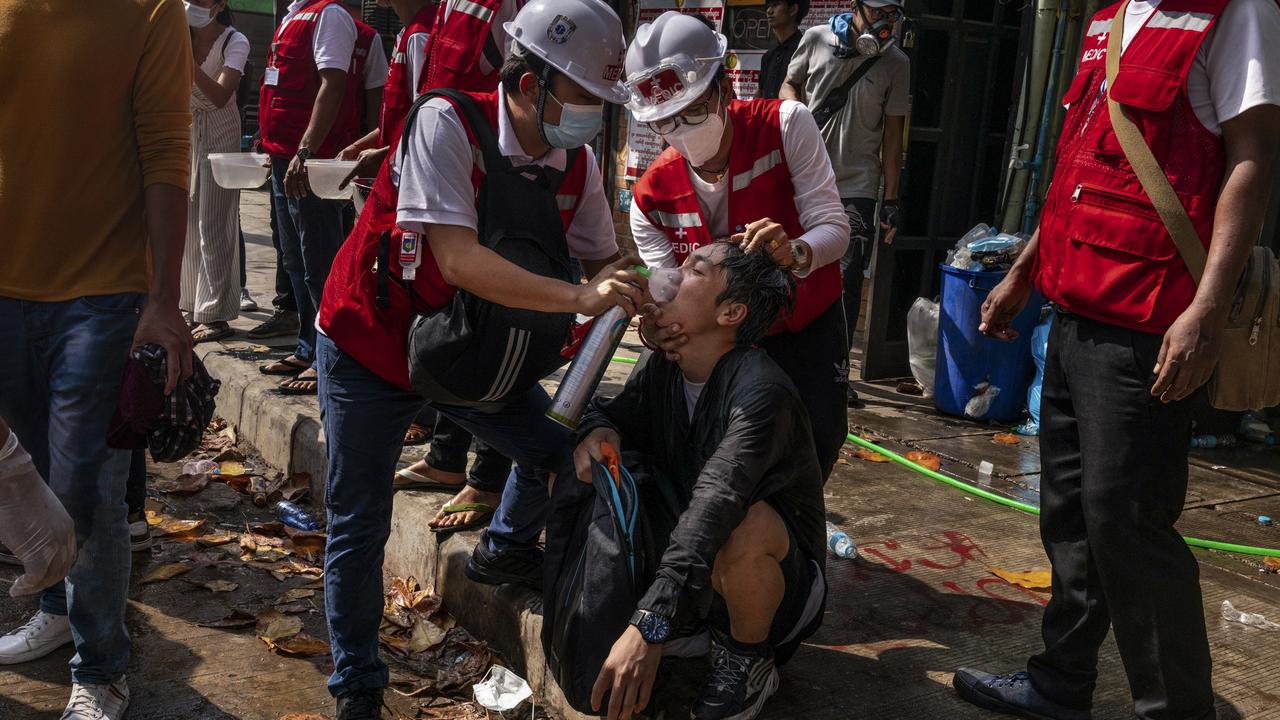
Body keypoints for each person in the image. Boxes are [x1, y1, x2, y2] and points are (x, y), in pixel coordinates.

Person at [313, 0, 641, 715]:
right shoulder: (445, 123)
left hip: (468, 365)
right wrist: (580, 298)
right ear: (533, 85)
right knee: (359, 524)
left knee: (575, 449)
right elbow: (457, 260)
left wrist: (647, 290)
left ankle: (516, 558)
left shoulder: (574, 162)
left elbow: (606, 257)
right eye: (588, 99)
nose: (595, 118)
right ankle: (358, 691)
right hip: (370, 349)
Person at [956, 2, 1280, 719]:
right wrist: (1024, 273)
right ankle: (1059, 686)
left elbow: (1252, 157)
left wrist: (1207, 310)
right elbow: (1081, 157)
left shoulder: (1233, 12)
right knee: (1070, 516)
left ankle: (1177, 710)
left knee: (1127, 523)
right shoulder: (1109, 15)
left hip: (1150, 321)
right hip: (1075, 312)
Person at [0, 1, 194, 718]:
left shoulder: (153, 10)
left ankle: (102, 663)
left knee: (86, 487)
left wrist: (165, 298)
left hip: (105, 292)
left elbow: (166, 148)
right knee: (28, 480)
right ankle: (54, 609)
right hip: (4, 286)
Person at [569, 242, 827, 720]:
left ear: (730, 311)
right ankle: (692, 625)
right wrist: (598, 429)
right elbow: (612, 412)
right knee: (596, 466)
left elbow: (717, 500)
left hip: (777, 584)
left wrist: (650, 622)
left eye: (694, 270)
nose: (669, 276)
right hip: (700, 574)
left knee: (741, 526)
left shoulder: (760, 393)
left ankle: (748, 660)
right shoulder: (666, 368)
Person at [627, 11, 851, 481]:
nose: (680, 129)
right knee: (715, 451)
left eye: (692, 110)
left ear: (725, 89)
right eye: (665, 122)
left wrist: (797, 253)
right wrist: (656, 324)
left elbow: (833, 225)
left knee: (815, 439)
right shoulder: (649, 198)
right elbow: (665, 289)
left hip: (804, 319)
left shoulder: (786, 126)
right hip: (720, 339)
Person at [780, 0, 909, 406]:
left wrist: (891, 197)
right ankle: (785, 361)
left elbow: (892, 135)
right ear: (857, 8)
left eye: (894, 12)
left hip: (857, 184)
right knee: (791, 264)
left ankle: (837, 370)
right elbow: (789, 84)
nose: (885, 20)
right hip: (805, 176)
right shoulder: (816, 40)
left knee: (847, 279)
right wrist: (793, 114)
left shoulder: (896, 63)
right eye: (878, 10)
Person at [256, 0, 378, 394]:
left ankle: (330, 354)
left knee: (319, 259)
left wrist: (306, 151)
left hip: (310, 163)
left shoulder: (330, 15)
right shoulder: (294, 14)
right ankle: (308, 347)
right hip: (282, 157)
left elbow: (333, 83)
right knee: (294, 257)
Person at [181, 0, 250, 344]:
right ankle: (191, 306)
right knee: (189, 222)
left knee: (215, 222)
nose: (191, 5)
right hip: (188, 133)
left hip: (221, 137)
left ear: (219, 5)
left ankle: (217, 313)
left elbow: (220, 96)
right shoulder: (179, 34)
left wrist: (186, 62)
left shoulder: (233, 41)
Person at [757, 0, 807, 100]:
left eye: (776, 5)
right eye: (768, 6)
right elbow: (761, 93)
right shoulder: (768, 56)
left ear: (793, 9)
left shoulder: (805, 51)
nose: (769, 11)